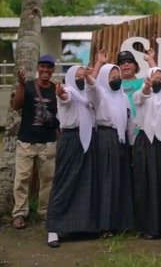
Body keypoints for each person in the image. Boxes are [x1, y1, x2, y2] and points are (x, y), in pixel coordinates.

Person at [46, 65, 96, 248]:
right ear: (70, 77)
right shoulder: (68, 90)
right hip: (70, 139)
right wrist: (59, 94)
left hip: (87, 139)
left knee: (84, 182)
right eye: (78, 75)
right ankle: (53, 229)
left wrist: (96, 66)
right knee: (64, 181)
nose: (81, 78)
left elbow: (92, 88)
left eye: (83, 75)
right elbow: (65, 98)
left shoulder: (85, 96)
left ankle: (78, 226)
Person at [12, 55, 59, 229]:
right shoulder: (29, 86)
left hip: (48, 142)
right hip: (26, 141)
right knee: (22, 179)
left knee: (48, 179)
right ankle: (19, 213)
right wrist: (22, 85)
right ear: (38, 68)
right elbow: (16, 106)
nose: (46, 70)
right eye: (43, 66)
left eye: (49, 67)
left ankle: (44, 212)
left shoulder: (55, 89)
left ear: (53, 69)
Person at [85, 63, 133, 237]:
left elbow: (130, 122)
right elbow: (93, 87)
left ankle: (120, 222)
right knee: (106, 181)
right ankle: (105, 225)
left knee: (120, 181)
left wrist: (132, 145)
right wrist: (90, 75)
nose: (116, 79)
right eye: (112, 77)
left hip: (121, 141)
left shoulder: (124, 97)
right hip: (105, 139)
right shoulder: (101, 95)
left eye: (118, 76)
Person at [133, 67, 161, 239]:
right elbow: (139, 98)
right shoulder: (141, 95)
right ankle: (146, 227)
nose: (158, 81)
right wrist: (146, 88)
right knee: (145, 183)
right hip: (145, 142)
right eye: (155, 78)